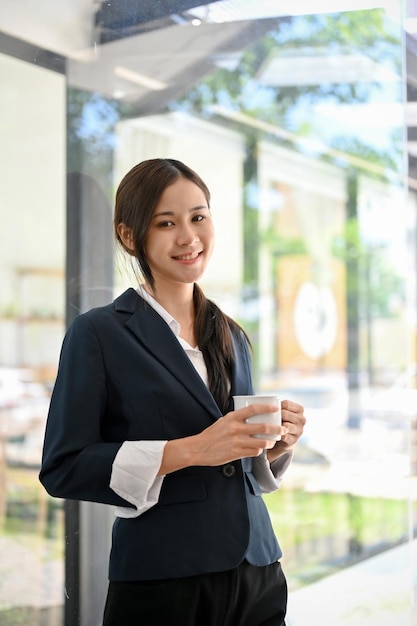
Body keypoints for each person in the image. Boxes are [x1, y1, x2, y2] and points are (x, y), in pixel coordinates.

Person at [39, 158, 306, 626]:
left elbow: (239, 467)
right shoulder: (98, 333)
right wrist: (190, 451)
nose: (189, 237)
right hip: (164, 577)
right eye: (167, 223)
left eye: (198, 217)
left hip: (257, 568)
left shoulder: (231, 333)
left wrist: (275, 447)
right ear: (129, 236)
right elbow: (64, 467)